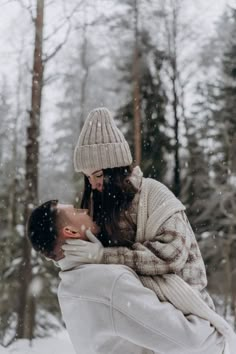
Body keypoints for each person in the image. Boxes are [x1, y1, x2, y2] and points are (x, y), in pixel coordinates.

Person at [27, 200, 226, 354]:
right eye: (77, 211)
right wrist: (216, 335)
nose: (85, 210)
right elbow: (190, 342)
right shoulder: (107, 282)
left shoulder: (69, 287)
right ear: (70, 232)